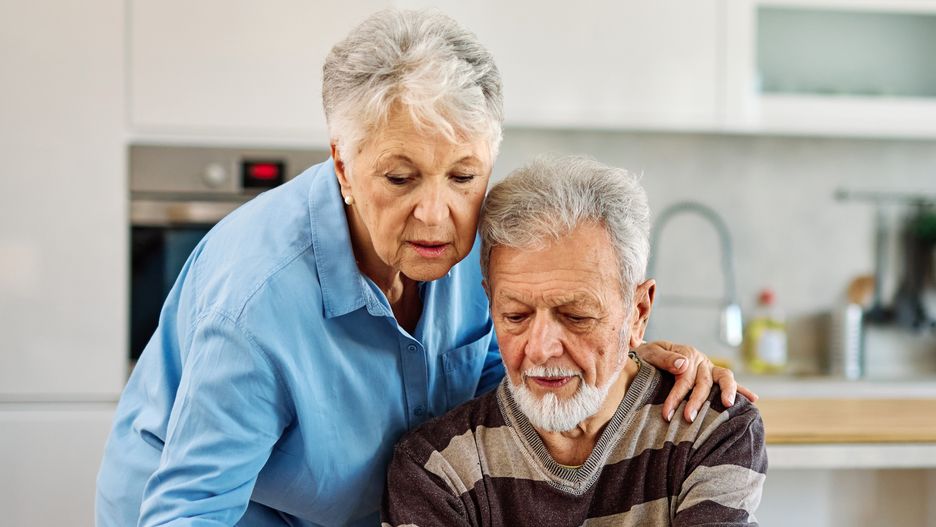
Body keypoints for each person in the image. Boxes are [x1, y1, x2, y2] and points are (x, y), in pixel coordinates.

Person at [96, 9, 753, 527]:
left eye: (464, 175)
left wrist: (627, 362)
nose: (438, 216)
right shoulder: (257, 302)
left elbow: (514, 389)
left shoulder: (485, 250)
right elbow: (186, 510)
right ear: (345, 167)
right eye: (401, 176)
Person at [382, 156, 767, 527]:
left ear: (638, 312)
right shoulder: (437, 467)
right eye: (516, 315)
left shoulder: (711, 429)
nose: (541, 348)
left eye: (576, 317)